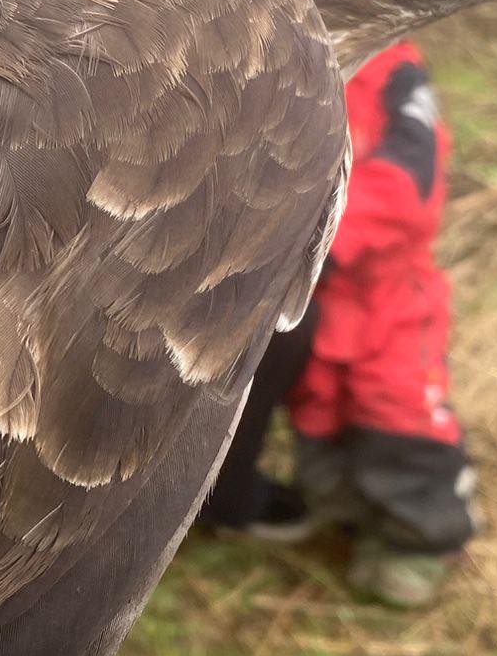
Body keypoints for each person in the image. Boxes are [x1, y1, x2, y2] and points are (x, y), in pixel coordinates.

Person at [198, 41, 476, 611]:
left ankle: (421, 538)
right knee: (321, 414)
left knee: (399, 413)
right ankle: (345, 512)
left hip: (383, 295)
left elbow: (409, 183)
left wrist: (316, 237)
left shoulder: (397, 76)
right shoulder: (278, 57)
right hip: (316, 297)